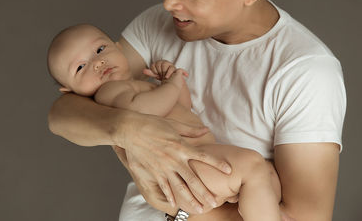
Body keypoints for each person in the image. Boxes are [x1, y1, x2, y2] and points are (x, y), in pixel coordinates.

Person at [48, 0, 346, 220]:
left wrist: (181, 212)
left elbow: (304, 217)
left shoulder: (306, 71)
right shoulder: (158, 24)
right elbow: (63, 112)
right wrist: (127, 129)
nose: (168, 2)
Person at [47, 24, 282, 221]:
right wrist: (171, 85)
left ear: (119, 47)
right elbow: (142, 109)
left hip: (194, 162)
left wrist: (172, 82)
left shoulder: (137, 85)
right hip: (183, 167)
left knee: (265, 174)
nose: (97, 63)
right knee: (253, 166)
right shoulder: (109, 93)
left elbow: (182, 107)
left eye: (100, 49)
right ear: (70, 90)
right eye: (80, 67)